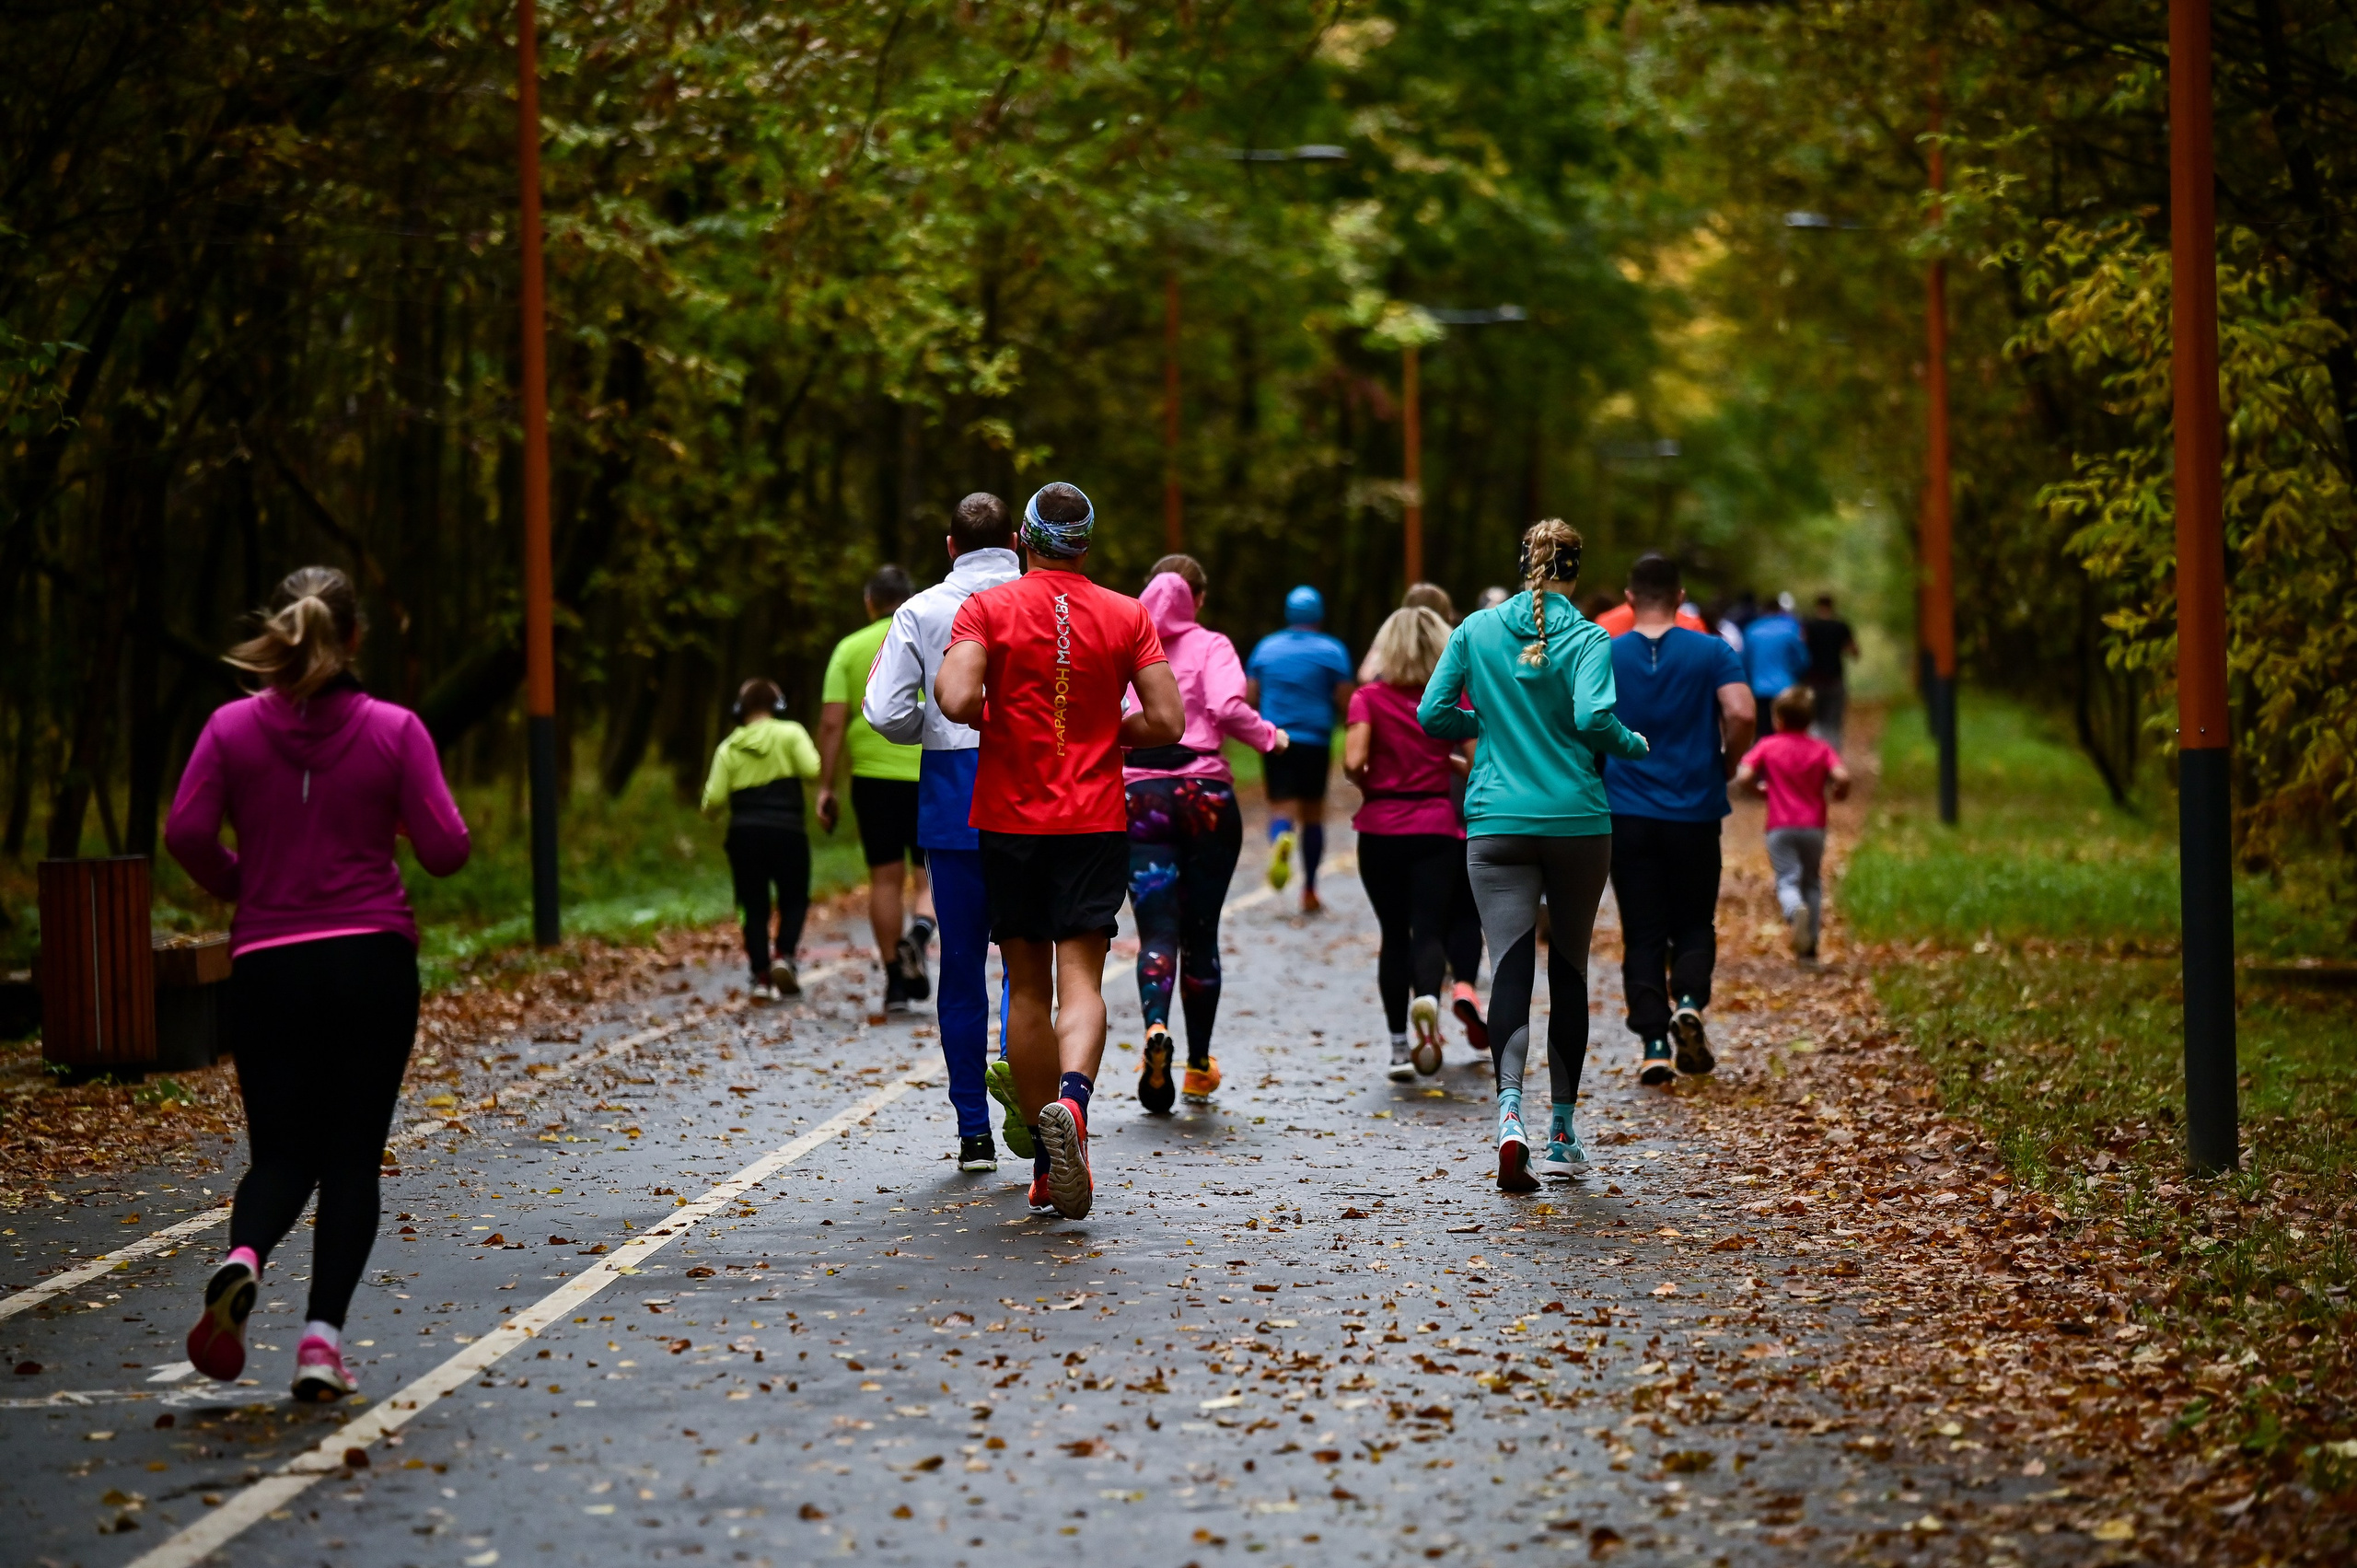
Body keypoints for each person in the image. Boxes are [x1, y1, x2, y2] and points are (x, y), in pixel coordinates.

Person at [166, 566, 470, 1402]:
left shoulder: (229, 729)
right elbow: (447, 849)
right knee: (350, 1161)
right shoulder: (394, 729)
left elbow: (185, 829)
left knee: (281, 1152)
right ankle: (319, 1345)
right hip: (369, 959)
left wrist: (245, 882)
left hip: (267, 962)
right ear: (356, 637)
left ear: (282, 628)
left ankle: (242, 1258)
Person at [935, 482, 1183, 1220]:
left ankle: (1046, 1161)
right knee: (1082, 979)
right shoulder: (1126, 612)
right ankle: (1073, 1106)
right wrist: (1109, 731)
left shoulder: (988, 607)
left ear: (1023, 540)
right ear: (1087, 543)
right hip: (1095, 819)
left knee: (1027, 983)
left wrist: (1002, 719)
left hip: (1011, 819)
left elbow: (953, 699)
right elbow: (1166, 718)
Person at [1420, 520, 1648, 1191]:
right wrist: (1633, 744)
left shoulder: (1476, 631)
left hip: (1496, 819)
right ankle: (1562, 1132)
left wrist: (1483, 723)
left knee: (1511, 963)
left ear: (1523, 565)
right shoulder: (1589, 638)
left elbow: (1433, 714)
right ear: (1575, 571)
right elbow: (1593, 719)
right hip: (1577, 819)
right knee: (1570, 968)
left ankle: (1509, 1114)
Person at [865, 494, 1025, 1172]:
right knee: (1029, 959)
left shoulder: (919, 609)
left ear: (950, 545)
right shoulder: (1045, 599)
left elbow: (883, 709)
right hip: (1033, 793)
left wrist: (932, 727)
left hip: (953, 799)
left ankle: (973, 1132)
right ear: (1017, 539)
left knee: (961, 969)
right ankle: (1028, 1084)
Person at [1123, 556, 1288, 1112]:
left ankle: (1153, 1031)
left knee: (1157, 933)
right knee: (1202, 931)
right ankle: (1196, 1066)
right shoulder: (1213, 644)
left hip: (1140, 798)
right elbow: (1225, 705)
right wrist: (1270, 738)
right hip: (1206, 799)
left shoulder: (1126, 642)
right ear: (1198, 596)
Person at [1601, 553, 1756, 1088]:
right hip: (1694, 808)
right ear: (1680, 595)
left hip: (1626, 811)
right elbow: (1741, 712)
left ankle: (1653, 1046)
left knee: (1641, 931)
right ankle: (1688, 1001)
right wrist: (1727, 762)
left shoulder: (1604, 652)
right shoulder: (1712, 650)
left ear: (1629, 598)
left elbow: (1580, 722)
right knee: (1692, 921)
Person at [1355, 583, 1487, 1050]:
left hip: (1384, 819)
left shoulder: (1371, 691)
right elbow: (1478, 754)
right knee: (1442, 920)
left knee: (1396, 931)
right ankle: (1448, 990)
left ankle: (1397, 1044)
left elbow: (1354, 759)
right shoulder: (1459, 680)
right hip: (1444, 816)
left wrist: (1371, 784)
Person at [817, 564, 935, 1015]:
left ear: (869, 602)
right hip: (929, 769)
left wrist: (826, 786)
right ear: (910, 599)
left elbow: (831, 722)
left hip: (873, 778)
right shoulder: (930, 636)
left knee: (885, 879)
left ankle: (895, 986)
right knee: (929, 872)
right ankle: (919, 936)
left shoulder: (849, 649)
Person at [701, 678, 823, 999]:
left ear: (740, 710)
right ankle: (784, 955)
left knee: (751, 905)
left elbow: (712, 801)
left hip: (745, 833)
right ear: (777, 706)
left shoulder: (728, 747)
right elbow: (812, 769)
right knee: (794, 897)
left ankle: (760, 974)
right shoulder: (791, 733)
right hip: (788, 830)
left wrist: (708, 810)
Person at [1245, 587, 1354, 912]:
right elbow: (1346, 700)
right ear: (1319, 614)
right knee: (1313, 814)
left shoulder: (1266, 649)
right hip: (1316, 741)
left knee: (1281, 807)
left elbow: (1249, 696)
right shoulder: (1332, 650)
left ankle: (1281, 836)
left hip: (1275, 739)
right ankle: (1309, 889)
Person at [1736, 686, 1851, 960]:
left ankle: (1793, 910)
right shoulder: (1821, 748)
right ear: (1810, 720)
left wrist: (1759, 790)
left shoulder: (1767, 746)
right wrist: (1839, 791)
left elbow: (1743, 776)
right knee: (1812, 881)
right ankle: (1809, 945)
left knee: (1787, 880)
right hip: (1814, 827)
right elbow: (1842, 777)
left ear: (1778, 719)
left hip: (1780, 827)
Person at [1803, 592, 1859, 752]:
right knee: (1833, 723)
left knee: (1812, 721)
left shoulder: (1808, 625)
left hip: (1812, 679)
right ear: (1832, 606)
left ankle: (1813, 758)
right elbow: (1854, 651)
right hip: (1835, 680)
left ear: (1817, 605)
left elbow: (1800, 647)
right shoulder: (1841, 626)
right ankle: (1832, 760)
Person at [1741, 591, 1811, 703]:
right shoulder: (1791, 628)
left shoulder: (1751, 630)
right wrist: (1794, 675)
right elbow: (1803, 659)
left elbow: (1745, 661)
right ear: (1779, 610)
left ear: (1763, 610)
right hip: (1785, 689)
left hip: (1758, 689)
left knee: (1762, 720)